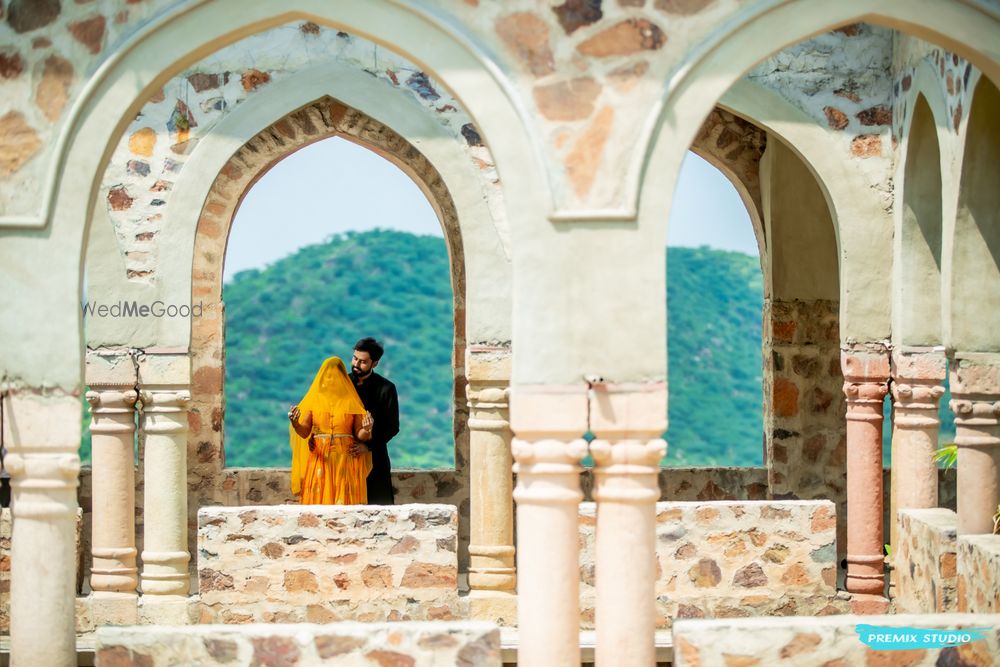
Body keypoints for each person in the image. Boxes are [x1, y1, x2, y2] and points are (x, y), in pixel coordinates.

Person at [288, 356, 374, 504]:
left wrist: (367, 430)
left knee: (344, 501)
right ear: (322, 378)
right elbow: (305, 432)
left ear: (342, 378)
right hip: (320, 458)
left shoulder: (351, 402)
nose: (331, 380)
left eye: (335, 377)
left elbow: (360, 434)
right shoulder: (315, 401)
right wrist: (296, 423)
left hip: (346, 458)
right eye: (328, 377)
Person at [349, 337, 399, 504]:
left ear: (375, 364)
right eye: (355, 358)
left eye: (362, 362)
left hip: (375, 457)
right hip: (345, 457)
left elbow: (392, 427)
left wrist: (368, 446)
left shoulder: (386, 388)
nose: (356, 364)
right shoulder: (342, 383)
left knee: (379, 505)